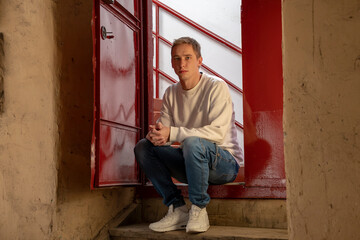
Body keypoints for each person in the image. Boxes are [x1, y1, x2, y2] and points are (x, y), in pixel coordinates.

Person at [134, 37, 243, 233]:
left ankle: (199, 208)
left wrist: (173, 133)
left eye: (187, 57)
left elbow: (217, 133)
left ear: (199, 60)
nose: (181, 64)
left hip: (224, 163)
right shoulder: (171, 93)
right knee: (143, 147)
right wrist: (157, 135)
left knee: (193, 143)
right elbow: (165, 129)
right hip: (191, 162)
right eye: (176, 59)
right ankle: (177, 209)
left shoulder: (216, 86)